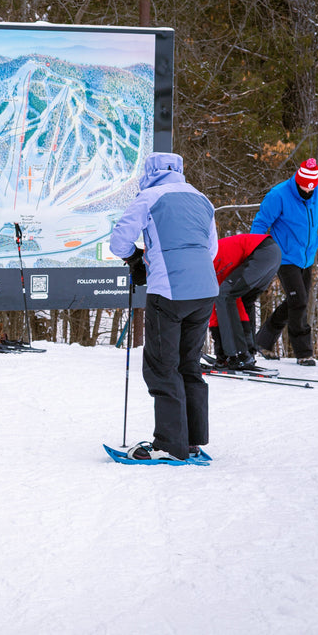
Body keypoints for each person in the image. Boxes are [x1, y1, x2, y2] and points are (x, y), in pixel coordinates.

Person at [109, 152, 218, 462]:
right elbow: (211, 249)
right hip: (205, 291)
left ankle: (170, 444)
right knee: (189, 364)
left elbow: (119, 242)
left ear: (149, 171)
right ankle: (192, 440)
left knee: (161, 366)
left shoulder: (149, 197)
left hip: (169, 292)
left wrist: (135, 258)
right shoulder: (202, 200)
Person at [250, 158, 318, 366]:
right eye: (304, 185)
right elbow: (261, 222)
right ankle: (304, 353)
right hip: (284, 256)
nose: (307, 189)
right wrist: (254, 248)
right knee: (299, 301)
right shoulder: (279, 195)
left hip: (307, 257)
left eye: (311, 186)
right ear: (297, 180)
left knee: (296, 301)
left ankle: (263, 340)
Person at [209, 234, 282, 369]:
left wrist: (221, 353)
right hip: (272, 253)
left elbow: (217, 304)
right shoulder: (208, 261)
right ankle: (248, 351)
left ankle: (238, 354)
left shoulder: (210, 261)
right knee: (242, 300)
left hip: (262, 253)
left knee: (225, 295)